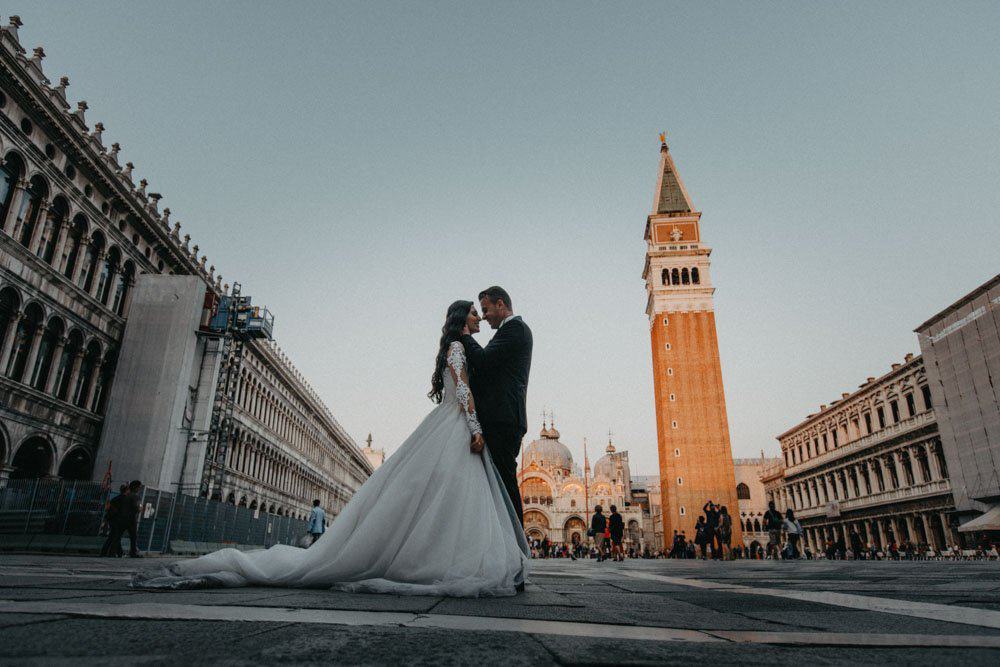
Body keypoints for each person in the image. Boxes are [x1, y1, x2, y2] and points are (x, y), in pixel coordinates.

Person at [134, 300, 530, 597]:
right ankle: (437, 558)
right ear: (464, 319)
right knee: (450, 494)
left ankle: (439, 554)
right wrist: (475, 428)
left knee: (444, 495)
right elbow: (462, 390)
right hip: (456, 425)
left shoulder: (457, 344)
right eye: (475, 314)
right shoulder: (459, 347)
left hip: (448, 427)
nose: (481, 318)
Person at [460, 286, 533, 527]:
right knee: (499, 481)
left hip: (504, 418)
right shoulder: (510, 331)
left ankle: (515, 542)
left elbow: (483, 360)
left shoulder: (515, 329)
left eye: (486, 309)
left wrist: (464, 336)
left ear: (500, 304)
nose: (483, 316)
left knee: (503, 482)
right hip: (502, 417)